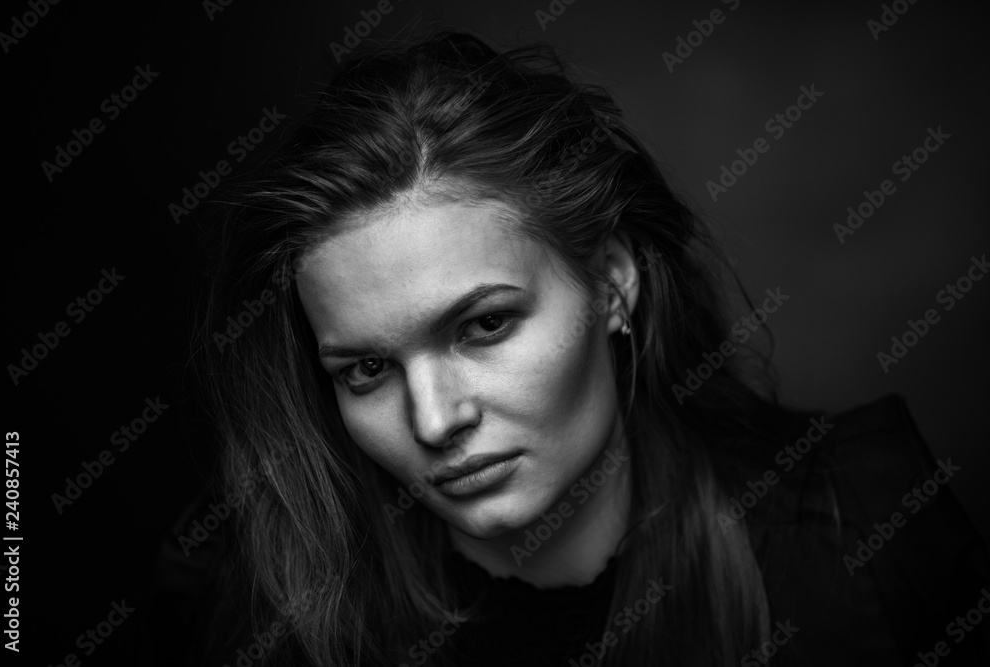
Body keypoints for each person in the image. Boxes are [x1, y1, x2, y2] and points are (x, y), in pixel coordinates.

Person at [142, 31, 989, 666]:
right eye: (367, 368)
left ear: (613, 283)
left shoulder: (858, 526)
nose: (435, 419)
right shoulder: (261, 615)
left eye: (484, 326)